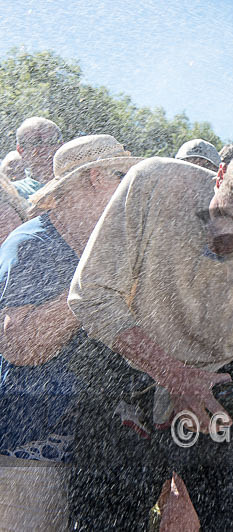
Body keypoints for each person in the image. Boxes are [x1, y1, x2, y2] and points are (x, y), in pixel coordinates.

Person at [67, 138, 233, 531]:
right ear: (219, 176)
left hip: (217, 388)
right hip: (122, 373)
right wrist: (174, 375)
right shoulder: (153, 183)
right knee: (104, 522)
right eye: (226, 216)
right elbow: (92, 295)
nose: (227, 238)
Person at [0, 134, 142, 531]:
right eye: (121, 177)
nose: (127, 190)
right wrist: (87, 292)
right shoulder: (34, 244)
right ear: (95, 178)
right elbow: (18, 345)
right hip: (26, 449)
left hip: (83, 446)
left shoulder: (96, 247)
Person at [14, 117, 64, 199]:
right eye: (36, 143)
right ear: (21, 151)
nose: (45, 148)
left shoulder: (80, 183)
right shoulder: (14, 193)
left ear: (62, 145)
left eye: (51, 141)